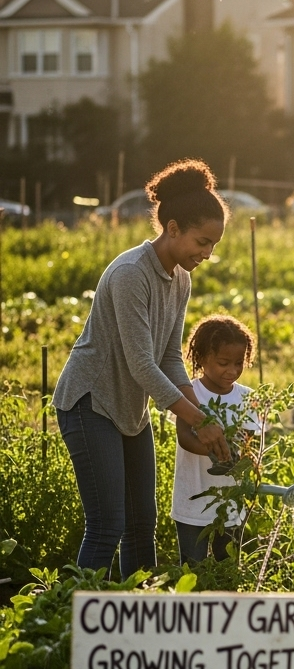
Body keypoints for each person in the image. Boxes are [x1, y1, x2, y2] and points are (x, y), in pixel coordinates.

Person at [53, 159, 231, 578]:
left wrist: (198, 415)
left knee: (141, 524)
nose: (207, 253)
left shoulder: (181, 279)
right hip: (90, 402)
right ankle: (74, 622)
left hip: (130, 409)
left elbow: (169, 355)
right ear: (172, 228)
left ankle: (141, 616)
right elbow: (141, 365)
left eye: (214, 246)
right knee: (107, 525)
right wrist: (198, 418)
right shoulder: (132, 274)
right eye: (202, 241)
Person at [172, 314, 260, 565]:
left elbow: (247, 441)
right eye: (223, 362)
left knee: (228, 565)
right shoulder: (190, 393)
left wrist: (240, 457)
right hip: (192, 500)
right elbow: (185, 438)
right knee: (193, 567)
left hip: (231, 504)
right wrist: (217, 454)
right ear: (201, 358)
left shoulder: (246, 398)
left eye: (238, 363)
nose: (232, 371)